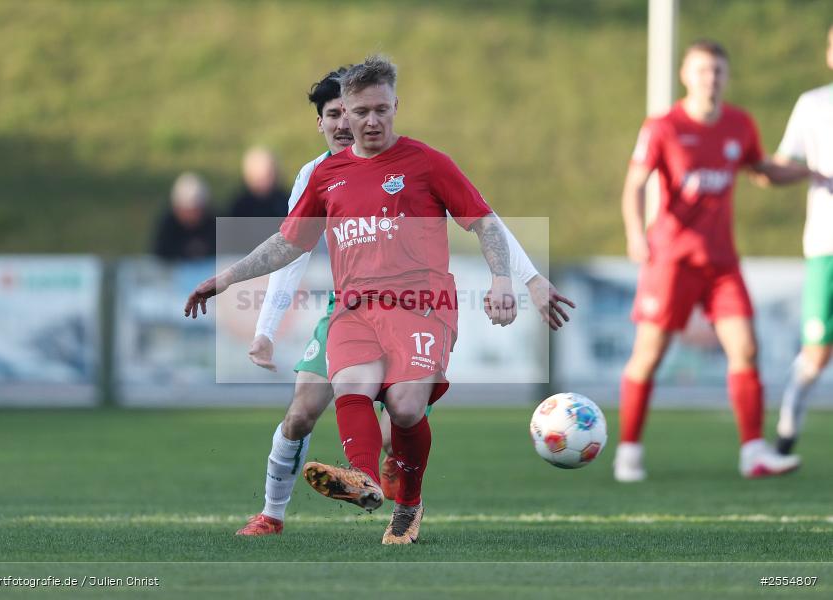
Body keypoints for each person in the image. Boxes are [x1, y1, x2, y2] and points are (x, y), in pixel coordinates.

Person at [185, 55, 573, 544]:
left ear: (395, 107)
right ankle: (362, 480)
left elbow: (482, 218)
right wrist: (226, 278)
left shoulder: (426, 162)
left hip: (421, 304)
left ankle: (408, 503)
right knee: (349, 387)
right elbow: (288, 244)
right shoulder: (326, 176)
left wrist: (508, 279)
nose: (370, 121)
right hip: (353, 309)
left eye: (381, 110)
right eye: (360, 111)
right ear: (344, 111)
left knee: (406, 409)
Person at [614, 40, 810, 483]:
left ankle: (753, 452)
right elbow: (635, 184)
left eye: (718, 71)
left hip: (722, 263)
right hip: (672, 260)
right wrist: (634, 231)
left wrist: (811, 170)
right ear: (686, 75)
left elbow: (762, 170)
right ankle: (628, 451)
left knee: (746, 348)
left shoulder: (739, 124)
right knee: (648, 355)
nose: (711, 78)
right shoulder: (663, 126)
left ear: (726, 76)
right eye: (702, 70)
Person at [773, 25, 833, 455]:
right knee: (816, 354)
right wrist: (810, 172)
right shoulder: (813, 105)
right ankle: (790, 418)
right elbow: (779, 166)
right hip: (826, 246)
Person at [226, 147, 290, 253]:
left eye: (268, 175)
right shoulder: (239, 206)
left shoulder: (286, 201)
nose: (264, 182)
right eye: (259, 178)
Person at [153, 172, 216, 261]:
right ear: (176, 208)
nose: (192, 215)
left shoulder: (213, 223)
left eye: (196, 210)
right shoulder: (168, 225)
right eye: (187, 211)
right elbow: (159, 256)